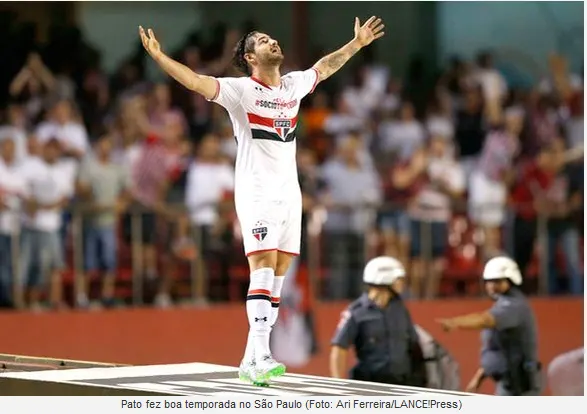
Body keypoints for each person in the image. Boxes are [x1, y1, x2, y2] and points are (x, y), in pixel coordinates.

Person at [139, 16, 385, 385]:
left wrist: (356, 45)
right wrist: (160, 58)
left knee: (279, 278)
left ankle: (251, 358)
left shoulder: (292, 85)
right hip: (257, 191)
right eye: (263, 41)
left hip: (290, 194)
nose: (272, 42)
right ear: (250, 57)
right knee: (263, 268)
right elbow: (195, 81)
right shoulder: (240, 91)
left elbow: (324, 67)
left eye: (272, 38)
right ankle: (262, 354)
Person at [436, 256, 541, 396]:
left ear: (511, 280)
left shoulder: (513, 306)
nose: (491, 286)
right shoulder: (504, 304)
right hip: (510, 382)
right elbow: (497, 349)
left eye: (497, 281)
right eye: (489, 281)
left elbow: (485, 320)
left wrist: (456, 323)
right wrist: (478, 379)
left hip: (519, 387)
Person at [330, 256, 426, 387]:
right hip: (370, 387)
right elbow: (339, 348)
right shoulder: (356, 312)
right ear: (384, 278)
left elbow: (413, 343)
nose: (402, 283)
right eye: (398, 279)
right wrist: (338, 385)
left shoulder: (400, 309)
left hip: (402, 385)